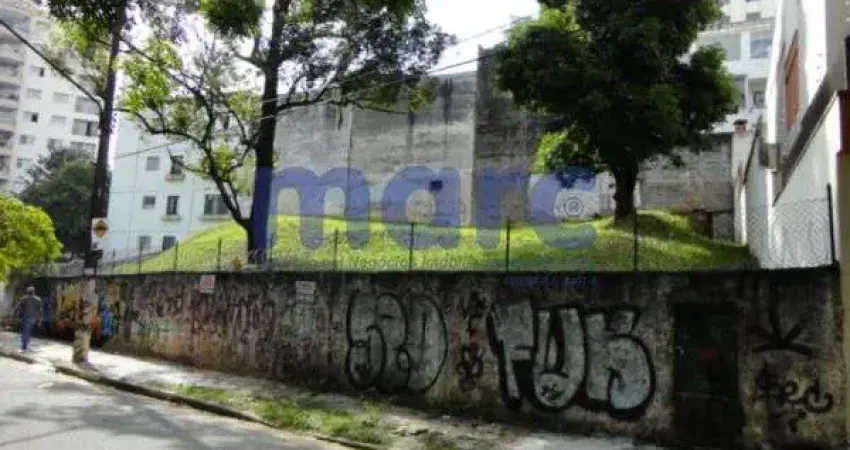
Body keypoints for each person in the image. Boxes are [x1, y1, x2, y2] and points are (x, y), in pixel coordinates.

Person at [16, 286, 42, 352]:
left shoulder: (23, 298)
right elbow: (40, 310)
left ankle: (24, 347)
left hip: (25, 317)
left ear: (27, 292)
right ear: (34, 292)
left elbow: (18, 308)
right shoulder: (38, 299)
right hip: (33, 318)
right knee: (28, 331)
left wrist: (17, 316)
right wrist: (40, 320)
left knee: (25, 331)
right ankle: (26, 346)